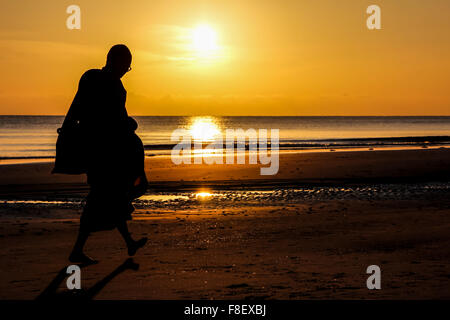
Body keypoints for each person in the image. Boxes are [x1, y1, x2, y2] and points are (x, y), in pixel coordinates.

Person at [62, 44, 148, 264]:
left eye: (128, 68)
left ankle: (128, 242)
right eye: (125, 66)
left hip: (107, 152)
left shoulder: (103, 82)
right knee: (101, 199)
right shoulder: (101, 81)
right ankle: (78, 250)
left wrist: (67, 131)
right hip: (102, 154)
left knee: (109, 197)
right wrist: (129, 124)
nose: (125, 71)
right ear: (113, 61)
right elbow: (106, 119)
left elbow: (79, 109)